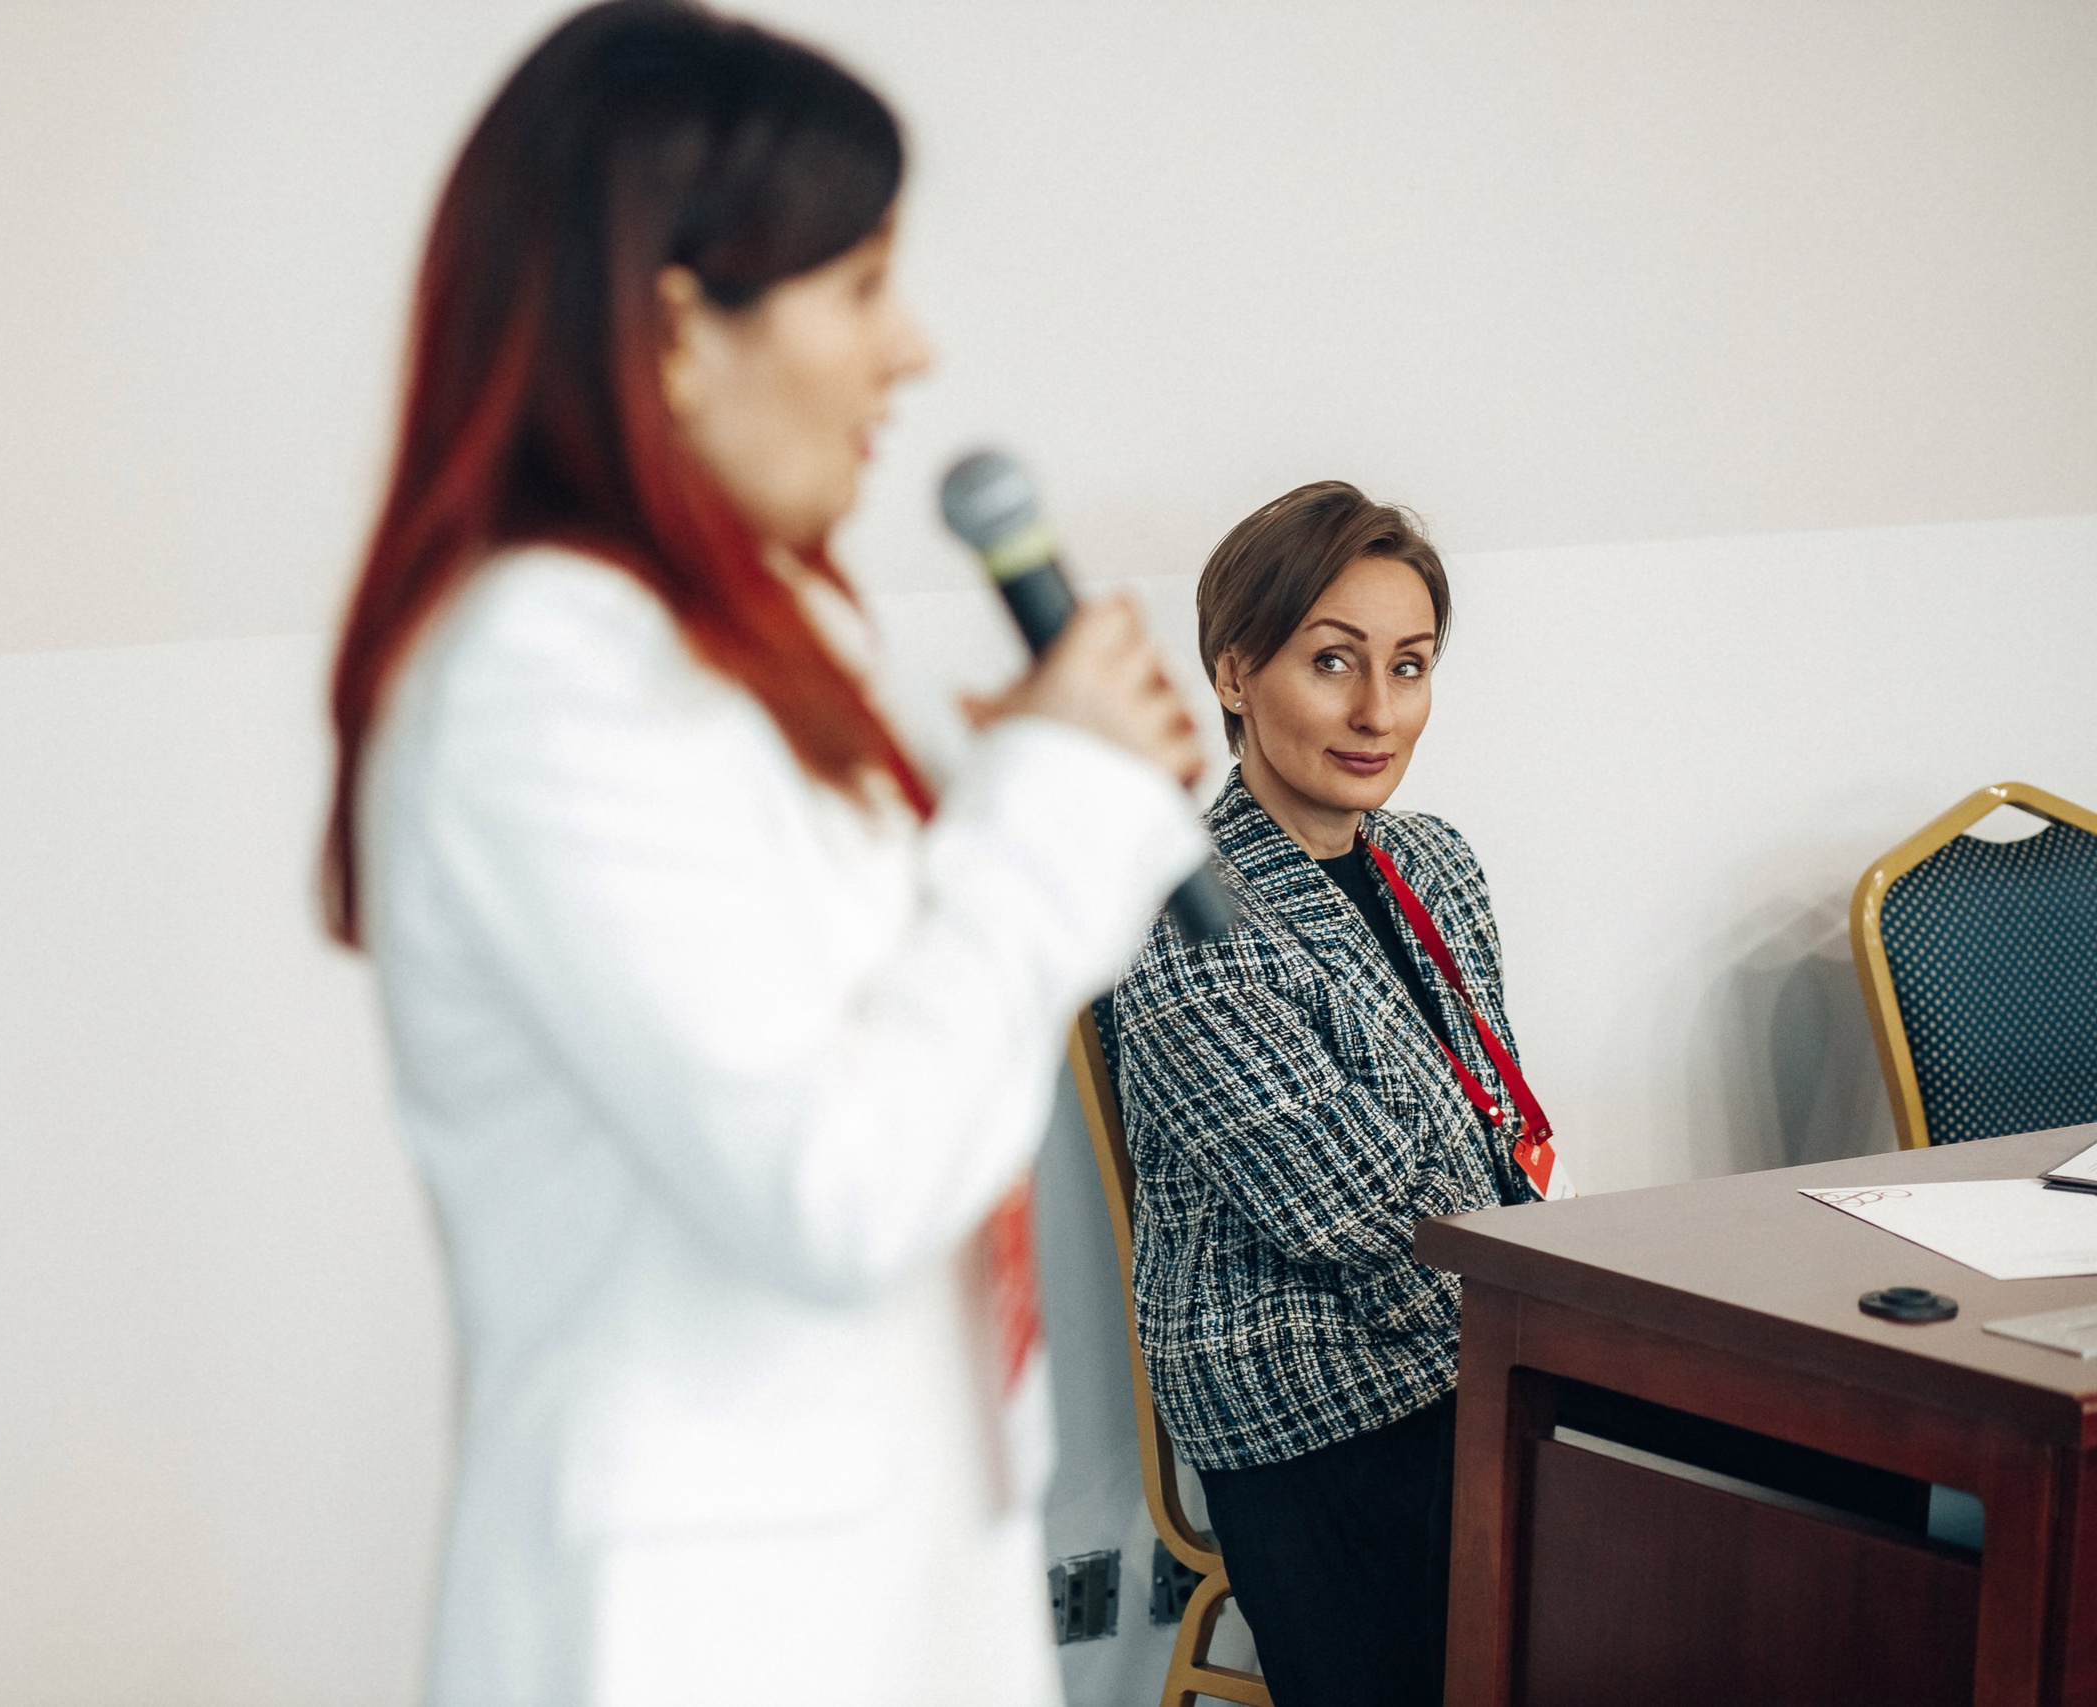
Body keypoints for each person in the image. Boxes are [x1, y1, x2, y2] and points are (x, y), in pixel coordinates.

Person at [319, 5, 1209, 1703]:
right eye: (864, 287)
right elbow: (836, 1175)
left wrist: (1025, 780)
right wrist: (1043, 810)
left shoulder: (757, 633)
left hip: (894, 1565)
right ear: (674, 327)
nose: (914, 351)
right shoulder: (541, 670)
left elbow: (918, 1015)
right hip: (704, 1624)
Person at [1108, 482, 1535, 1707]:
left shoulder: (1431, 861)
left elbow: (1490, 1142)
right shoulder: (1182, 913)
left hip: (1476, 1340)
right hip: (1308, 1401)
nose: (1375, 712)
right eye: (1332, 662)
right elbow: (1358, 1218)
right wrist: (1556, 1316)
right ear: (1235, 673)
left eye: (1409, 668)